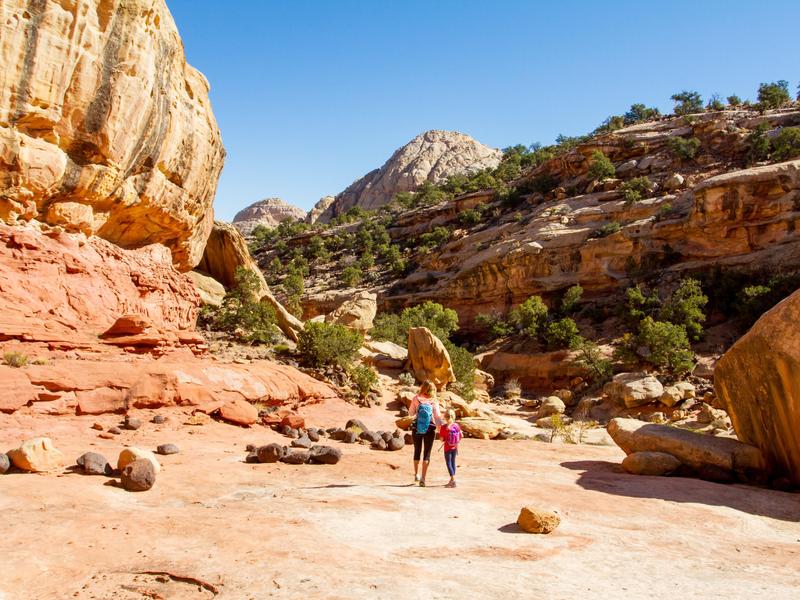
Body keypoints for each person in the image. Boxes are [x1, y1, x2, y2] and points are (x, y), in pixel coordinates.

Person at [409, 380, 443, 487]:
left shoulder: (416, 398)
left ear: (422, 387)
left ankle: (416, 474)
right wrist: (441, 431)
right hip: (430, 429)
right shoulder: (434, 401)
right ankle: (423, 478)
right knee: (427, 454)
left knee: (417, 450)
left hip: (417, 428)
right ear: (433, 390)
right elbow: (437, 417)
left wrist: (417, 415)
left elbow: (411, 413)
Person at [439, 409, 462, 488]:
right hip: (455, 447)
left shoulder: (444, 427)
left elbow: (441, 439)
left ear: (445, 417)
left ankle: (453, 479)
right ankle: (451, 480)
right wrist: (456, 441)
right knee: (453, 463)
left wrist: (444, 439)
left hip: (447, 447)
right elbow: (461, 435)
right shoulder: (456, 426)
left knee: (448, 463)